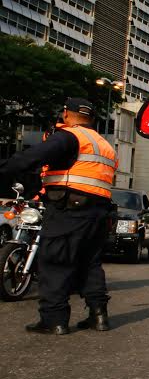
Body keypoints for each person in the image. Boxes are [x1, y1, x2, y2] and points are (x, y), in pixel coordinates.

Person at [0, 98, 117, 335]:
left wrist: (5, 174)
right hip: (98, 211)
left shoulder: (68, 137)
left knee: (55, 261)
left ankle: (54, 320)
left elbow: (29, 159)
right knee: (90, 263)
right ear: (92, 118)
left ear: (66, 114)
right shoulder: (104, 144)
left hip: (69, 208)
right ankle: (98, 316)